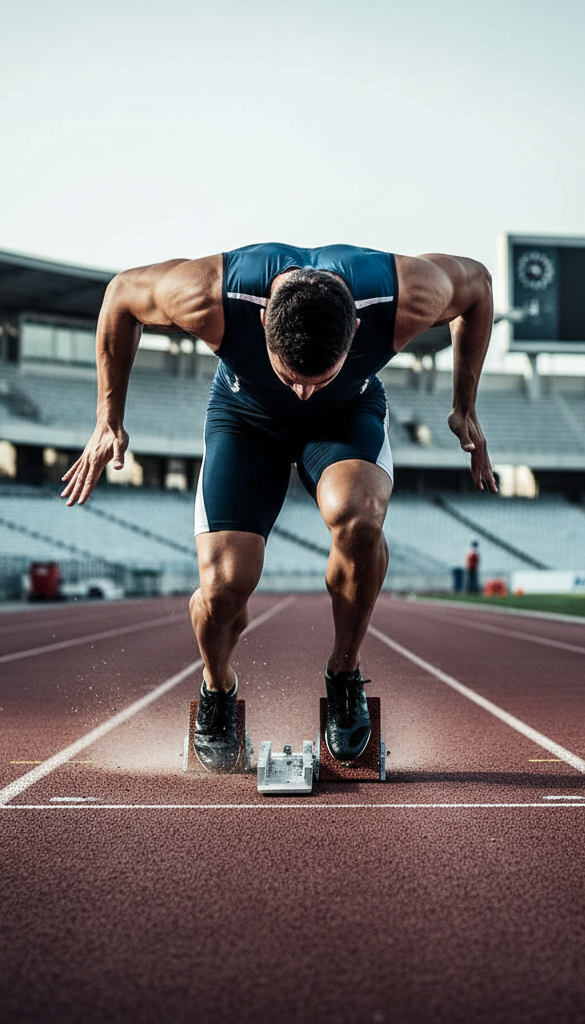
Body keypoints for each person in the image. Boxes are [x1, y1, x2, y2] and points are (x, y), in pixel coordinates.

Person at [60, 243, 497, 773]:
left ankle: (344, 673)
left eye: (319, 377)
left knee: (359, 520)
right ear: (263, 320)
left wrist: (464, 406)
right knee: (223, 587)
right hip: (246, 421)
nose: (305, 393)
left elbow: (477, 286)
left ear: (356, 330)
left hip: (347, 416)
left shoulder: (401, 295)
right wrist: (108, 416)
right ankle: (218, 684)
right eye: (293, 377)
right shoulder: (210, 295)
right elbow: (122, 294)